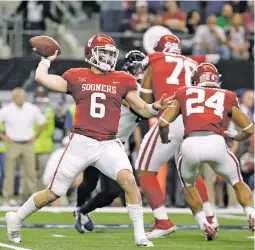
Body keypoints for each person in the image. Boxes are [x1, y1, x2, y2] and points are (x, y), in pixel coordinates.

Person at [5, 34, 173, 247]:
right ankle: (16, 218)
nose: (107, 58)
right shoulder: (77, 76)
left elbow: (143, 109)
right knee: (53, 193)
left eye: (110, 54)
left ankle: (140, 236)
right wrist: (45, 60)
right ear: (90, 54)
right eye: (102, 53)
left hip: (108, 143)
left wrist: (156, 107)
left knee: (129, 181)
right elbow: (42, 78)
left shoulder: (122, 79)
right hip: (81, 142)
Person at [158, 63, 255, 239]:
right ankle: (251, 215)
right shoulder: (227, 95)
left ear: (195, 79)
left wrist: (165, 139)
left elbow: (163, 123)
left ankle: (204, 224)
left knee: (188, 184)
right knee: (236, 180)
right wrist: (235, 137)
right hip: (216, 141)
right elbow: (248, 129)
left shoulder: (183, 92)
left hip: (190, 144)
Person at [135, 34, 218, 239]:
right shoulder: (191, 63)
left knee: (144, 170)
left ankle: (162, 220)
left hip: (171, 118)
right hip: (194, 119)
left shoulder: (154, 60)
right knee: (189, 173)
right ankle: (209, 218)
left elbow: (145, 104)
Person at [73, 50, 146, 233]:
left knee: (112, 191)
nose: (141, 72)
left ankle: (82, 211)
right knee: (90, 184)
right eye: (137, 69)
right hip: (100, 139)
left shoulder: (141, 89)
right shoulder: (125, 86)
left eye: (143, 69)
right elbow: (142, 109)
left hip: (115, 145)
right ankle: (80, 210)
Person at [0, 88, 45, 205]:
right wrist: (3, 137)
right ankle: (7, 198)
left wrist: (35, 137)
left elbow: (42, 123)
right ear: (13, 98)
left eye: (22, 97)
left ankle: (32, 199)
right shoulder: (6, 110)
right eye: (18, 97)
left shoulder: (32, 109)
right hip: (12, 144)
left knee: (31, 173)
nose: (21, 99)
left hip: (28, 144)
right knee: (9, 172)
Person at [34, 87, 55, 190]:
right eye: (39, 94)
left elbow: (51, 129)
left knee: (44, 173)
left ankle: (40, 197)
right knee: (30, 174)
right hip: (32, 144)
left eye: (42, 94)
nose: (40, 96)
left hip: (45, 146)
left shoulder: (50, 109)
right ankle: (29, 196)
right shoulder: (31, 109)